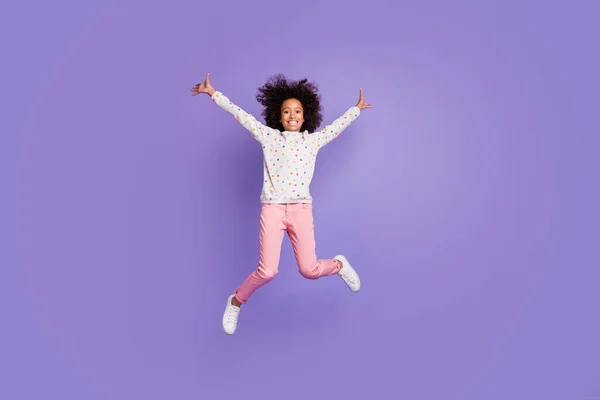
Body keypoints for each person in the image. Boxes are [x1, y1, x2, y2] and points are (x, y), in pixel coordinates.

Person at [190, 73, 371, 334]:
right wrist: (214, 93)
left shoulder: (313, 141)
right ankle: (236, 300)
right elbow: (240, 115)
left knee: (309, 270)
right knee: (267, 271)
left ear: (305, 115)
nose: (292, 115)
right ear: (279, 116)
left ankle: (339, 265)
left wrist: (356, 109)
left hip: (300, 210)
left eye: (297, 110)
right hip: (273, 209)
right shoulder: (268, 137)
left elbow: (336, 128)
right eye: (286, 111)